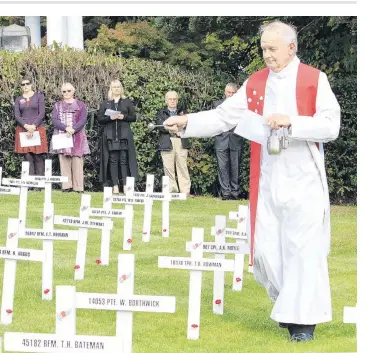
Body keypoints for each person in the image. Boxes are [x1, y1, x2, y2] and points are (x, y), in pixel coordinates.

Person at [163, 20, 340, 342]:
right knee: (267, 250)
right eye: (263, 50)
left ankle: (303, 321)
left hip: (303, 175)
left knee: (302, 247)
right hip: (269, 175)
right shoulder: (256, 82)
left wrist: (292, 122)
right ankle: (288, 307)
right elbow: (224, 116)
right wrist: (188, 122)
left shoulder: (315, 79)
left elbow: (331, 125)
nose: (267, 56)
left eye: (272, 49)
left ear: (291, 47)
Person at [97, 80, 138, 194]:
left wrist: (123, 117)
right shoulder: (106, 103)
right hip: (110, 135)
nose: (116, 89)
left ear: (121, 88)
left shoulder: (127, 102)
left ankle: (125, 185)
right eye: (114, 87)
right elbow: (100, 119)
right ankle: (115, 185)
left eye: (118, 87)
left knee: (124, 160)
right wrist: (110, 118)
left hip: (124, 135)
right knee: (113, 160)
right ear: (111, 89)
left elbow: (133, 117)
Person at [50, 83, 90, 192]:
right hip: (62, 135)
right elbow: (55, 120)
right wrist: (65, 128)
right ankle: (66, 186)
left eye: (68, 91)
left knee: (77, 160)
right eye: (64, 91)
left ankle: (78, 187)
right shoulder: (57, 105)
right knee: (64, 160)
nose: (66, 93)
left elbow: (83, 119)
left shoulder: (81, 105)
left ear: (73, 91)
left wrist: (74, 129)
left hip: (77, 135)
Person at [156, 91, 191, 196]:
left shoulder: (183, 112)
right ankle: (172, 190)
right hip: (167, 142)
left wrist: (172, 127)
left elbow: (188, 124)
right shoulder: (161, 113)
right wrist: (172, 128)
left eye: (174, 99)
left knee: (182, 166)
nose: (172, 101)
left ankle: (185, 190)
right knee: (168, 167)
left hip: (181, 141)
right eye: (170, 99)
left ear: (177, 100)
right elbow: (160, 126)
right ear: (166, 100)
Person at [213, 83, 244, 200]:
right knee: (222, 167)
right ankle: (225, 192)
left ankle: (235, 192)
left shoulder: (241, 107)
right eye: (228, 92)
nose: (230, 95)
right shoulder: (217, 105)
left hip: (236, 139)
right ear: (225, 92)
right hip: (221, 139)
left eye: (233, 93)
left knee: (235, 167)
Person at [14, 77, 48, 176]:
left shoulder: (39, 96)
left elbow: (42, 113)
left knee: (38, 156)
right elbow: (17, 115)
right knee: (27, 156)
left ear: (31, 84)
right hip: (23, 130)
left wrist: (33, 126)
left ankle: (40, 183)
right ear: (21, 86)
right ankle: (30, 183)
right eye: (23, 84)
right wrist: (26, 126)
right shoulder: (18, 99)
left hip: (37, 129)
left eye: (27, 84)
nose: (25, 86)